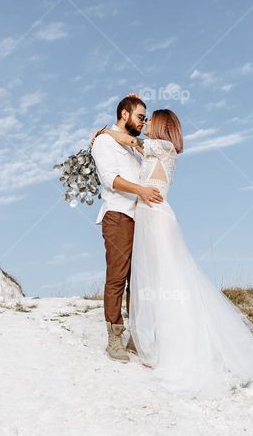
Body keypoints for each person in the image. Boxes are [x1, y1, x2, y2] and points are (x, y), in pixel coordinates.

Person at [95, 107, 253, 396]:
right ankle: (138, 337)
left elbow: (127, 140)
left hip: (153, 218)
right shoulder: (155, 150)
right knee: (149, 278)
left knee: (161, 279)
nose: (145, 123)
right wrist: (108, 135)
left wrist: (103, 131)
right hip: (146, 216)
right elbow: (124, 152)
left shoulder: (158, 147)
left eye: (150, 120)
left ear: (161, 127)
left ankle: (163, 342)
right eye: (142, 117)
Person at [89, 94, 163, 363]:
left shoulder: (131, 146)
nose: (144, 121)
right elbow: (111, 179)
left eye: (145, 118)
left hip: (139, 217)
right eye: (141, 116)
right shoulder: (104, 142)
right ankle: (113, 338)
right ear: (124, 115)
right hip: (118, 216)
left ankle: (137, 336)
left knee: (139, 279)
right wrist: (141, 190)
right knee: (117, 277)